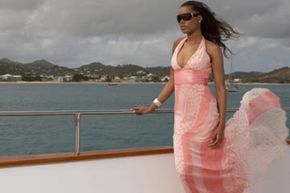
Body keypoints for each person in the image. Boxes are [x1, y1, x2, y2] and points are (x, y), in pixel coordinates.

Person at [132, 1, 289, 193]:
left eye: (186, 17)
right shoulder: (176, 45)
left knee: (213, 166)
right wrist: (152, 106)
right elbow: (173, 81)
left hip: (205, 116)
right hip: (181, 119)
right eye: (178, 18)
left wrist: (221, 123)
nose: (181, 22)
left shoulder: (212, 48)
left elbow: (221, 88)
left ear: (198, 18)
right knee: (185, 169)